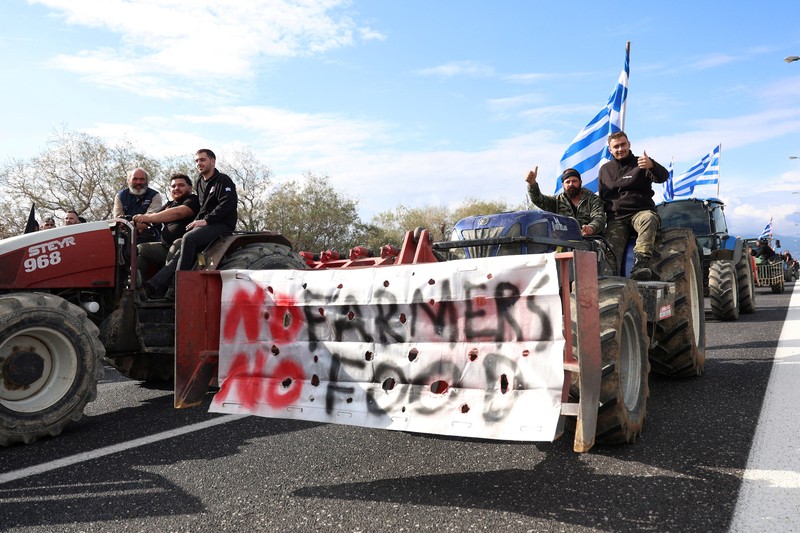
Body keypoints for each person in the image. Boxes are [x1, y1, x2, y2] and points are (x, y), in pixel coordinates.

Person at [145, 149, 238, 300]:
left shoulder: (223, 180)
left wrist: (206, 220)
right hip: (207, 224)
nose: (199, 163)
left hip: (222, 224)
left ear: (212, 161)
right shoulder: (200, 181)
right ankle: (154, 285)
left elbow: (227, 205)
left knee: (189, 238)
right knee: (182, 247)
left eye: (202, 160)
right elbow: (203, 207)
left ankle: (178, 287)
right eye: (196, 161)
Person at [598, 131, 669, 280]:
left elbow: (663, 176)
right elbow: (603, 198)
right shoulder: (605, 170)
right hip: (616, 219)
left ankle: (640, 265)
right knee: (608, 251)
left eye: (623, 144)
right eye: (616, 146)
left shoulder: (642, 163)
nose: (620, 149)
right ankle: (610, 282)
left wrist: (652, 166)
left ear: (629, 144)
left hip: (640, 212)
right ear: (610, 150)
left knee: (649, 219)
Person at [133, 173, 200, 284]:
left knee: (177, 244)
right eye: (173, 186)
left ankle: (166, 288)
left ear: (190, 188)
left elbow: (178, 213)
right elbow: (147, 222)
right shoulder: (169, 205)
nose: (176, 188)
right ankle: (135, 287)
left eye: (181, 185)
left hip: (187, 248)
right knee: (141, 249)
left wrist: (148, 217)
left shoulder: (193, 200)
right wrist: (128, 223)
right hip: (165, 247)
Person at [525, 166, 606, 237]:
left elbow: (599, 218)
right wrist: (532, 184)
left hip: (591, 239)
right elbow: (538, 200)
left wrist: (591, 228)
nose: (571, 184)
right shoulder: (557, 201)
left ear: (580, 182)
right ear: (563, 185)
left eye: (574, 181)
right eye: (567, 182)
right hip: (565, 241)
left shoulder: (592, 199)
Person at [113, 168, 163, 242]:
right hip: (126, 239)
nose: (138, 182)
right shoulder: (120, 196)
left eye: (142, 179)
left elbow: (150, 219)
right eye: (135, 179)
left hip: (151, 238)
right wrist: (136, 225)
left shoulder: (155, 196)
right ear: (129, 181)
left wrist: (129, 224)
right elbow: (118, 221)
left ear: (147, 181)